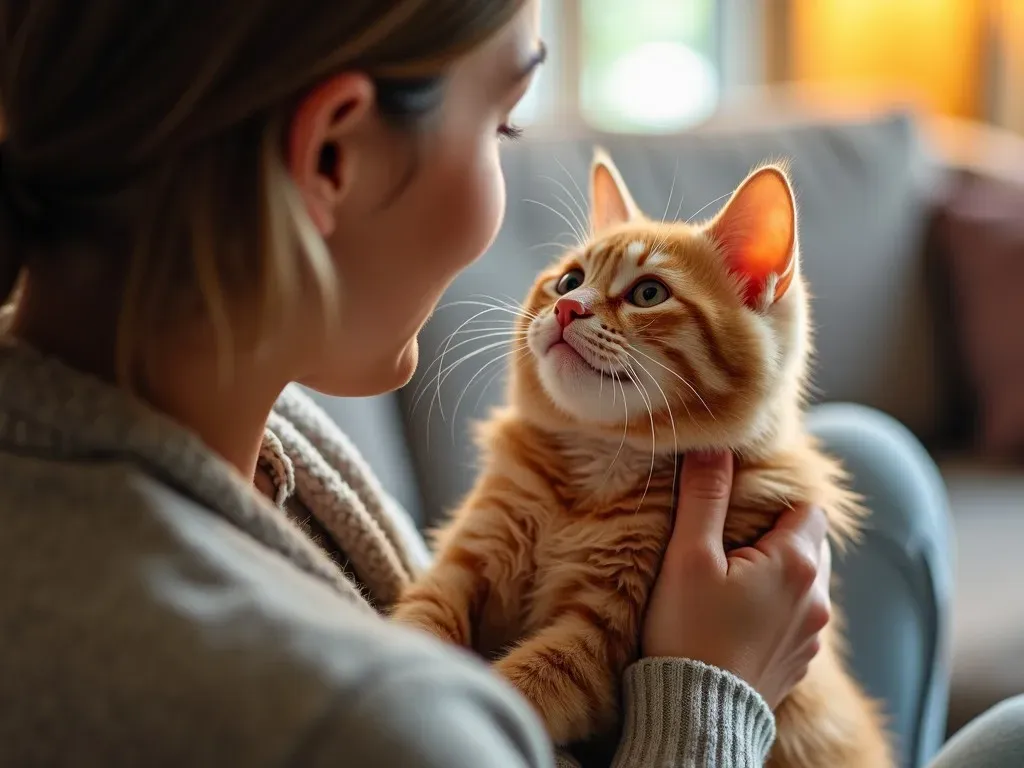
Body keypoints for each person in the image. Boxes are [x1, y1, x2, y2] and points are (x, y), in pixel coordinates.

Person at [0, 1, 1018, 766]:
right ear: (332, 155)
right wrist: (710, 692)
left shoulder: (228, 411)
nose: (570, 296)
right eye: (505, 124)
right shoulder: (376, 726)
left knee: (877, 469)